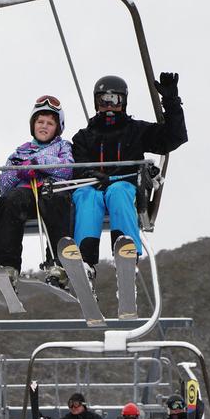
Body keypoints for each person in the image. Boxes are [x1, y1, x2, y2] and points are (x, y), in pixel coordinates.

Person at [70, 73, 187, 286]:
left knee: (119, 190)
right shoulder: (84, 137)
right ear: (96, 102)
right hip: (93, 190)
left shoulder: (136, 131)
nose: (108, 105)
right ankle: (84, 262)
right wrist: (90, 174)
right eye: (103, 100)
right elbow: (78, 165)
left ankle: (126, 254)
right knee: (86, 195)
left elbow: (174, 137)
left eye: (114, 100)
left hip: (125, 190)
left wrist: (171, 102)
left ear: (123, 102)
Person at [0, 95, 74, 289]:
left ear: (57, 128)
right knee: (10, 200)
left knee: (57, 198)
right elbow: (5, 184)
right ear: (33, 124)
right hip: (26, 195)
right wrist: (21, 171)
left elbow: (68, 169)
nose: (44, 126)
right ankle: (8, 265)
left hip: (50, 191)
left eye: (49, 123)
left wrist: (39, 164)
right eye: (40, 122)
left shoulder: (63, 146)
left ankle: (58, 263)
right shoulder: (20, 152)